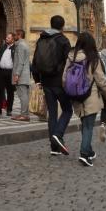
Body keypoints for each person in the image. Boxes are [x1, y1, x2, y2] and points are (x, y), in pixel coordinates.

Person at [64, 31, 106, 167]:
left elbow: (64, 78)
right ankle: (84, 154)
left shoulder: (71, 56)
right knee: (88, 126)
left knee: (85, 124)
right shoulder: (93, 58)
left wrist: (71, 91)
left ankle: (89, 151)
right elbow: (101, 80)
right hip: (90, 96)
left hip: (76, 96)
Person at [32, 15, 73, 155]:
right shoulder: (63, 40)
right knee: (67, 110)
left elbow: (35, 61)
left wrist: (37, 80)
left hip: (46, 82)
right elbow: (69, 63)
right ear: (62, 26)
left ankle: (54, 148)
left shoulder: (41, 39)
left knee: (52, 114)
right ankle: (58, 134)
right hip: (59, 82)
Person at [11, 28, 32, 121]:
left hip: (21, 74)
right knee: (24, 95)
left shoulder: (20, 46)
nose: (13, 37)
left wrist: (17, 74)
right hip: (25, 73)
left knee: (23, 95)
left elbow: (20, 62)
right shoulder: (25, 44)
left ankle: (24, 115)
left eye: (15, 35)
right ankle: (24, 114)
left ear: (19, 35)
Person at [0, 33, 15, 115]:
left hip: (10, 72)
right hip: (1, 71)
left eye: (9, 38)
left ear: (13, 40)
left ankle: (9, 110)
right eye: (7, 37)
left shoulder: (15, 48)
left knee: (10, 91)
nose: (7, 38)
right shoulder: (2, 46)